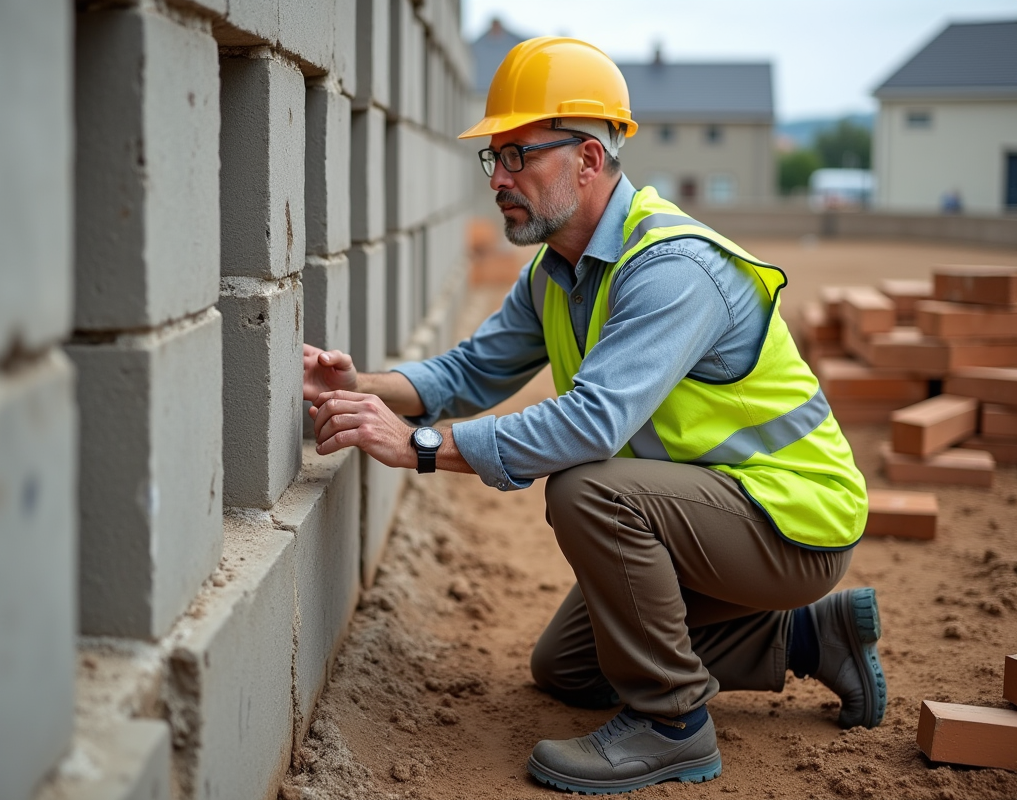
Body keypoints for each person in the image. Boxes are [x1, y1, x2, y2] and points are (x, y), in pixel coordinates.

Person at [303, 37, 885, 795]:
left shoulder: (674, 270)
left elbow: (590, 426)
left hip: (792, 521)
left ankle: (674, 726)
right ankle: (811, 637)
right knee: (571, 667)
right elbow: (471, 371)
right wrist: (368, 387)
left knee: (586, 488)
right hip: (711, 515)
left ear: (586, 159)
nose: (499, 179)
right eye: (494, 159)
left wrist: (416, 445)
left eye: (519, 157)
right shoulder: (556, 271)